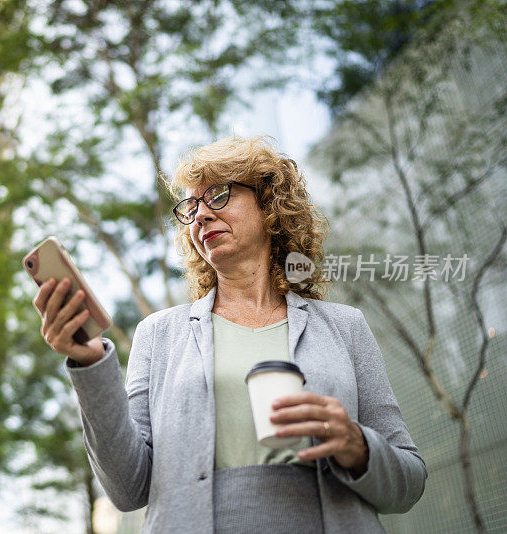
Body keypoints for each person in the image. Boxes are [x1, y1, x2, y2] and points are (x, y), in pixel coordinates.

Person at [33, 136, 427, 533]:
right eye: (191, 206)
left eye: (218, 195)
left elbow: (409, 484)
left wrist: (357, 446)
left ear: (270, 205)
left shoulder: (345, 327)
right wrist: (88, 362)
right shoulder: (158, 335)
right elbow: (127, 488)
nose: (200, 215)